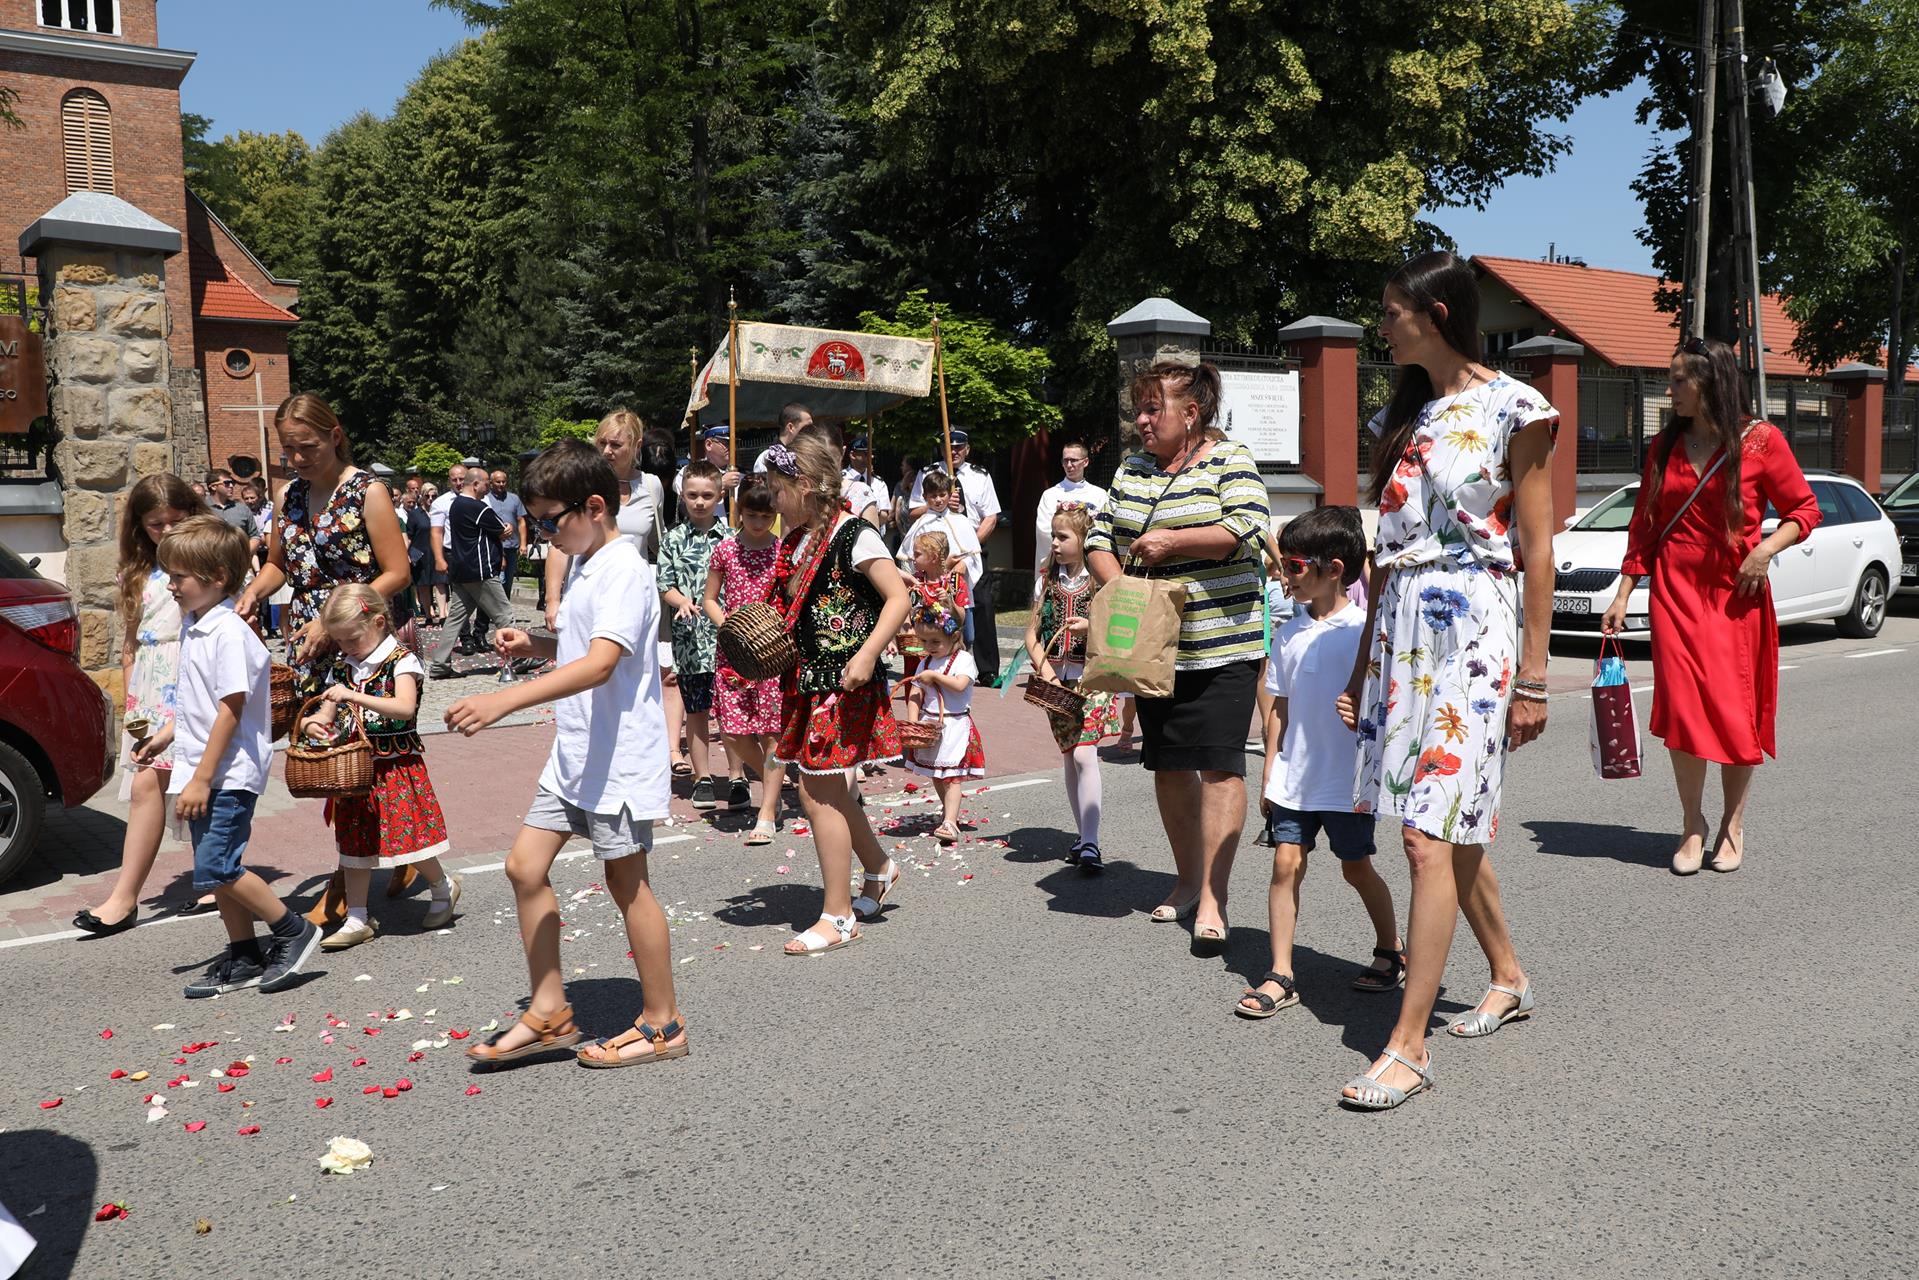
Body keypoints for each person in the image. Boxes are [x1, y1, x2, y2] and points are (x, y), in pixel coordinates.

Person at [1336, 250, 1555, 1111]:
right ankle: (1507, 975)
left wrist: (1533, 677)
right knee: (1445, 828)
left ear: (1435, 314)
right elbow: (1382, 556)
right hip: (1401, 637)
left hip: (1473, 632)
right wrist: (1360, 665)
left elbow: (1536, 548)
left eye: (1391, 312)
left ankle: (1408, 1045)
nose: (1381, 327)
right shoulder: (1404, 414)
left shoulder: (1517, 407)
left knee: (1427, 835)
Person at [449, 439, 687, 1067]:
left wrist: (505, 700)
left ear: (595, 507)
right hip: (576, 752)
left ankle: (663, 1024)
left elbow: (604, 664)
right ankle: (550, 1010)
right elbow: (585, 648)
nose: (546, 536)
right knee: (524, 867)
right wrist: (536, 644)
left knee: (627, 883)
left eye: (552, 521)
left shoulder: (625, 569)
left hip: (617, 757)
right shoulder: (584, 560)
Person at [1604, 336, 1821, 875]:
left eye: (1679, 379)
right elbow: (1645, 525)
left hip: (1734, 596)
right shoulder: (1665, 445)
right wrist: (1624, 592)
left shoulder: (1761, 440)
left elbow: (1804, 509)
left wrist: (1764, 551)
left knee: (1731, 712)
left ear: (1710, 382)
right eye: (1670, 378)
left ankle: (1732, 824)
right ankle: (1691, 824)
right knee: (1683, 712)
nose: (1670, 390)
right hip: (1674, 593)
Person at [1086, 361, 1271, 947]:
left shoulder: (1230, 459)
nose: (1141, 421)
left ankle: (1214, 894)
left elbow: (1247, 527)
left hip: (1224, 643)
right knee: (1169, 766)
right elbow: (1098, 538)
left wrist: (1174, 541)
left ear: (1190, 413)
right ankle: (1188, 879)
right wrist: (1125, 592)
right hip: (1152, 648)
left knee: (1218, 766)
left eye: (1152, 409)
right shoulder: (1132, 468)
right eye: (1137, 410)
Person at [236, 394, 414, 927]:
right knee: (327, 760)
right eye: (288, 450)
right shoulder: (288, 495)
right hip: (310, 646)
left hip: (359, 641)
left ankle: (345, 882)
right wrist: (253, 592)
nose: (297, 459)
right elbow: (279, 565)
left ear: (335, 436)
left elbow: (397, 572)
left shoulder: (367, 491)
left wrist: (332, 621)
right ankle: (389, 854)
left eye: (307, 447)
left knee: (349, 758)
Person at [138, 516, 321, 997]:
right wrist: (166, 736)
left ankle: (293, 930)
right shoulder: (198, 625)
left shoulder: (229, 633)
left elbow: (230, 709)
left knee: (217, 867)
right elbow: (197, 701)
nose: (171, 585)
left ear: (217, 577)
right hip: (202, 767)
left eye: (179, 576)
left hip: (227, 771)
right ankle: (243, 954)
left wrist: (201, 778)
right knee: (215, 869)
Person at [1236, 506, 1403, 1020]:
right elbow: (1279, 708)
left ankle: (1391, 948)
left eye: (1293, 565)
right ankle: (1281, 973)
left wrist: (1365, 712)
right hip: (1294, 776)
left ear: (1333, 569)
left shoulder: (1363, 632)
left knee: (1356, 868)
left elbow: (1387, 704)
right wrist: (1270, 769)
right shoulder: (1287, 633)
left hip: (1345, 781)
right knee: (1285, 863)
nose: (1284, 575)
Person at [765, 430, 912, 953]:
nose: (771, 498)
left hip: (845, 680)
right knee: (822, 788)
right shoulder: (798, 539)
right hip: (809, 680)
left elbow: (898, 598)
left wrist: (868, 654)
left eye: (777, 488)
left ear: (805, 485)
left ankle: (838, 915)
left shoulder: (854, 534)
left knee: (819, 791)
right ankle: (878, 866)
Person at [72, 475, 212, 936]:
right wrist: (133, 705)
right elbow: (131, 643)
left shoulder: (208, 560)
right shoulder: (136, 570)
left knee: (197, 781)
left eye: (177, 520)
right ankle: (129, 896)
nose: (167, 531)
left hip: (191, 676)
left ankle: (208, 878)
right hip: (151, 687)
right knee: (147, 785)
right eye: (156, 524)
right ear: (139, 525)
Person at [297, 584, 460, 951]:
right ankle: (357, 917)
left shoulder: (401, 660)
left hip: (395, 766)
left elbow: (404, 707)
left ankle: (442, 886)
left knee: (409, 838)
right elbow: (327, 712)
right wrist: (313, 723)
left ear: (379, 622)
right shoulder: (344, 666)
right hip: (356, 772)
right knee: (354, 844)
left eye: (351, 639)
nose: (345, 647)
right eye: (339, 641)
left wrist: (353, 695)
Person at [1021, 502, 1116, 872]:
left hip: (1093, 678)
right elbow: (1031, 634)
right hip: (1058, 684)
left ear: (1084, 539)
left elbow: (1121, 626)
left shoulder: (1100, 581)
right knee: (1069, 755)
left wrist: (1091, 627)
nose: (1055, 543)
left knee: (1083, 754)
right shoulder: (1047, 581)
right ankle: (1083, 835)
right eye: (1053, 536)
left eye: (1063, 537)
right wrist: (1047, 672)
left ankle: (1091, 842)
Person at [702, 475, 789, 845]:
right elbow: (709, 598)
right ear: (739, 512)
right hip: (733, 652)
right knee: (735, 732)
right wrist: (729, 625)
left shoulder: (782, 550)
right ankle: (774, 783)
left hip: (772, 653)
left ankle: (767, 810)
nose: (758, 522)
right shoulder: (725, 549)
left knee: (772, 732)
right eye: (752, 515)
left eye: (766, 516)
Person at [658, 463, 744, 811]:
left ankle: (737, 777)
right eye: (692, 495)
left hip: (727, 640)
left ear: (720, 496)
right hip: (691, 640)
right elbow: (665, 584)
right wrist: (681, 601)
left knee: (731, 711)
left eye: (707, 495)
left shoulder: (732, 538)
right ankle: (702, 777)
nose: (699, 502)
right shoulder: (673, 539)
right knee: (696, 711)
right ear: (683, 496)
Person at [908, 429, 1002, 682]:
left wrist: (968, 548)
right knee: (938, 612)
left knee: (981, 607)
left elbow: (990, 516)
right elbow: (913, 510)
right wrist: (937, 503)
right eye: (949, 447)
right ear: (941, 449)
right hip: (933, 559)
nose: (954, 451)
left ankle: (987, 670)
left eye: (959, 447)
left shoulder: (980, 476)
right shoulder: (928, 474)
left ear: (967, 449)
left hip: (970, 551)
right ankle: (938, 662)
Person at [900, 603, 983, 844]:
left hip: (955, 725)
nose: (929, 647)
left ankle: (950, 822)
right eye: (924, 641)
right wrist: (913, 722)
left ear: (954, 637)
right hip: (930, 726)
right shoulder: (924, 663)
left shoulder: (963, 659)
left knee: (952, 776)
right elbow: (915, 694)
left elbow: (959, 685)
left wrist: (935, 676)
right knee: (938, 775)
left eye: (935, 641)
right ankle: (948, 813)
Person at [428, 467, 512, 678]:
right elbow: (502, 529)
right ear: (475, 484)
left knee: (455, 619)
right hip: (480, 571)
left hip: (461, 570)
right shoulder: (478, 507)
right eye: (486, 483)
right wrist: (507, 528)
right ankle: (518, 658)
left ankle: (439, 665)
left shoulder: (455, 505)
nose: (488, 487)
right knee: (504, 615)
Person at [1033, 439, 1107, 569]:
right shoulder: (1050, 495)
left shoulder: (1099, 495)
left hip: (1089, 563)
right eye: (1065, 460)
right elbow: (1044, 531)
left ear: (1085, 462)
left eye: (1073, 460)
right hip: (1059, 564)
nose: (1068, 465)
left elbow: (1104, 528)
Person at [485, 469, 529, 603]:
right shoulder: (485, 499)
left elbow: (521, 521)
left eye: (504, 482)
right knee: (497, 580)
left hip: (511, 546)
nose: (501, 484)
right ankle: (493, 608)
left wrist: (523, 544)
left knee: (508, 581)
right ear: (491, 483)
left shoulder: (514, 499)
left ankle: (505, 606)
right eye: (498, 482)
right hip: (493, 546)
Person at [675, 424, 743, 503]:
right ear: (709, 445)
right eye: (727, 443)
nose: (732, 447)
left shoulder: (742, 475)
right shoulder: (688, 472)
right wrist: (721, 483)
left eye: (735, 443)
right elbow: (686, 502)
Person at [401, 485, 439, 624]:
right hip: (420, 553)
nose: (430, 499)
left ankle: (443, 614)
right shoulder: (415, 514)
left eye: (434, 496)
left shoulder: (439, 511)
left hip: (436, 552)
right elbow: (409, 536)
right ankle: (428, 614)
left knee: (440, 583)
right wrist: (406, 554)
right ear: (422, 497)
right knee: (423, 585)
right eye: (427, 496)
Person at [843, 435, 891, 530]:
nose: (871, 456)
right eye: (866, 453)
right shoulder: (841, 480)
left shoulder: (878, 483)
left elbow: (884, 516)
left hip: (871, 531)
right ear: (853, 455)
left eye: (872, 453)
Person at [752, 402, 813, 473]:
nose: (811, 432)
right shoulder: (767, 458)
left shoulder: (810, 458)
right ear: (791, 427)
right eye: (807, 428)